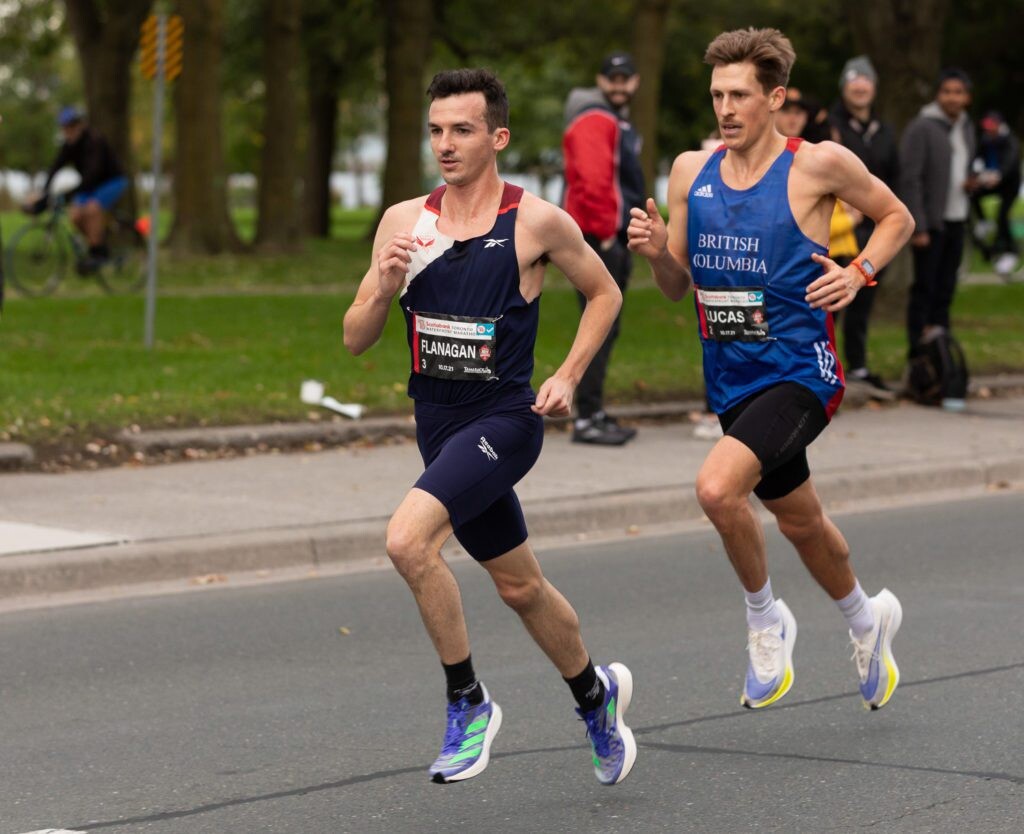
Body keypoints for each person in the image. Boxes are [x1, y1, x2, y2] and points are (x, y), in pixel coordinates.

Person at [343, 69, 636, 786]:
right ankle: (595, 696)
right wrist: (384, 288)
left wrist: (568, 375)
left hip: (505, 421)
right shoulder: (403, 221)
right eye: (436, 130)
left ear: (497, 137)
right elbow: (354, 338)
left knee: (408, 541)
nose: (445, 144)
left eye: (462, 130)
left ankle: (468, 702)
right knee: (519, 586)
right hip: (438, 426)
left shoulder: (535, 221)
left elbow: (605, 292)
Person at [627, 28, 913, 711]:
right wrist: (657, 254)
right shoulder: (690, 171)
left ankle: (766, 620)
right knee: (801, 522)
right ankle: (867, 620)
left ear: (776, 98)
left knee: (717, 489)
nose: (726, 109)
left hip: (800, 373)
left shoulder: (817, 164)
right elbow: (677, 286)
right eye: (717, 95)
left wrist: (859, 272)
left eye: (740, 95)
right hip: (731, 377)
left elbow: (896, 217)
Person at [561, 52, 646, 445]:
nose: (619, 84)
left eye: (625, 78)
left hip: (601, 236)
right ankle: (586, 418)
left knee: (602, 328)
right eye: (612, 78)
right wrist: (607, 234)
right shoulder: (596, 117)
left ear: (636, 82)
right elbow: (594, 183)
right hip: (599, 238)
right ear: (600, 81)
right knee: (599, 327)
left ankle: (592, 411)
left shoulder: (614, 119)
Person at [828, 57, 901, 398]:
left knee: (863, 299)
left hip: (874, 228)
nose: (860, 87)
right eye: (853, 81)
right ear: (844, 87)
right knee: (832, 300)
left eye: (866, 81)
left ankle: (857, 366)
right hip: (840, 228)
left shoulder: (884, 131)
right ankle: (824, 369)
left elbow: (894, 176)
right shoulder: (831, 127)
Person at [899, 69, 976, 356]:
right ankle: (918, 356)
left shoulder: (966, 127)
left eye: (958, 92)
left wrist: (970, 183)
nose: (952, 97)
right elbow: (910, 178)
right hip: (931, 224)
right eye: (947, 91)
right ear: (938, 95)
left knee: (946, 290)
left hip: (957, 218)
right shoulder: (922, 127)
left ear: (967, 97)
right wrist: (918, 225)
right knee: (925, 290)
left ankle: (941, 354)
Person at [29, 106, 129, 272]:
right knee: (75, 215)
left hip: (112, 181)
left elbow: (93, 173)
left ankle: (97, 253)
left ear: (80, 125)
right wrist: (45, 192)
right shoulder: (69, 145)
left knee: (91, 209)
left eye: (71, 126)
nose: (68, 131)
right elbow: (55, 167)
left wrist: (69, 194)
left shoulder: (94, 141)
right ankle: (98, 246)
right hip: (90, 185)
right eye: (65, 127)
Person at [968, 111, 1021, 275]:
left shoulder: (1010, 140)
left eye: (992, 126)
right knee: (973, 194)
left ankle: (1011, 251)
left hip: (1009, 185)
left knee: (1002, 216)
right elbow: (977, 158)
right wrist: (975, 174)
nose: (989, 130)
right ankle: (984, 223)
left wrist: (999, 176)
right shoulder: (986, 140)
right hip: (991, 180)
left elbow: (1010, 162)